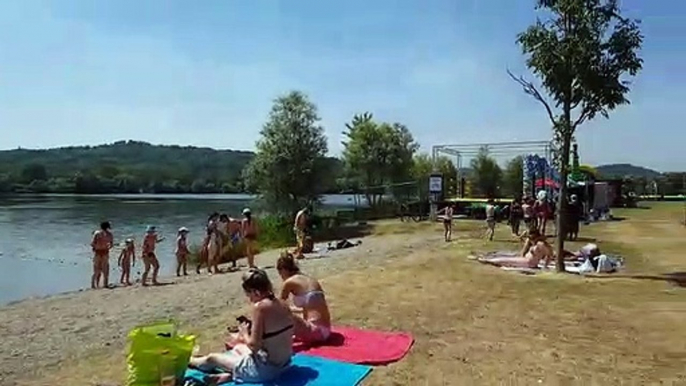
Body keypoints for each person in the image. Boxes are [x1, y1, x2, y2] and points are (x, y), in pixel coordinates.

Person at [191, 268, 293, 384]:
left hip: (266, 370)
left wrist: (244, 333)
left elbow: (254, 346)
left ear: (255, 292)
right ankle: (229, 375)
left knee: (212, 358)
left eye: (249, 295)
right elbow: (275, 334)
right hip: (284, 364)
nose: (250, 299)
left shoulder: (260, 308)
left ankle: (190, 361)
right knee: (238, 348)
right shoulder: (283, 304)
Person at [277, 252, 332, 344]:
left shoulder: (289, 282)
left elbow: (278, 306)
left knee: (278, 312)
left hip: (314, 332)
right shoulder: (308, 279)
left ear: (283, 270)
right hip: (325, 331)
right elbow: (310, 308)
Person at [478, 229, 553, 269]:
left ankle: (489, 261)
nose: (530, 239)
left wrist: (545, 266)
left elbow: (549, 254)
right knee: (508, 259)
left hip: (529, 263)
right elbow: (523, 242)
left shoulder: (541, 244)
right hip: (526, 260)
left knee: (506, 260)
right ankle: (490, 261)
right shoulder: (533, 242)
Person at [90, 221, 114, 289]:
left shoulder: (97, 234)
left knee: (96, 270)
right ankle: (105, 284)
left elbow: (92, 243)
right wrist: (107, 247)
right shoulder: (109, 234)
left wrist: (95, 247)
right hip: (105, 252)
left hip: (97, 252)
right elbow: (111, 245)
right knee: (105, 269)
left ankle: (93, 285)